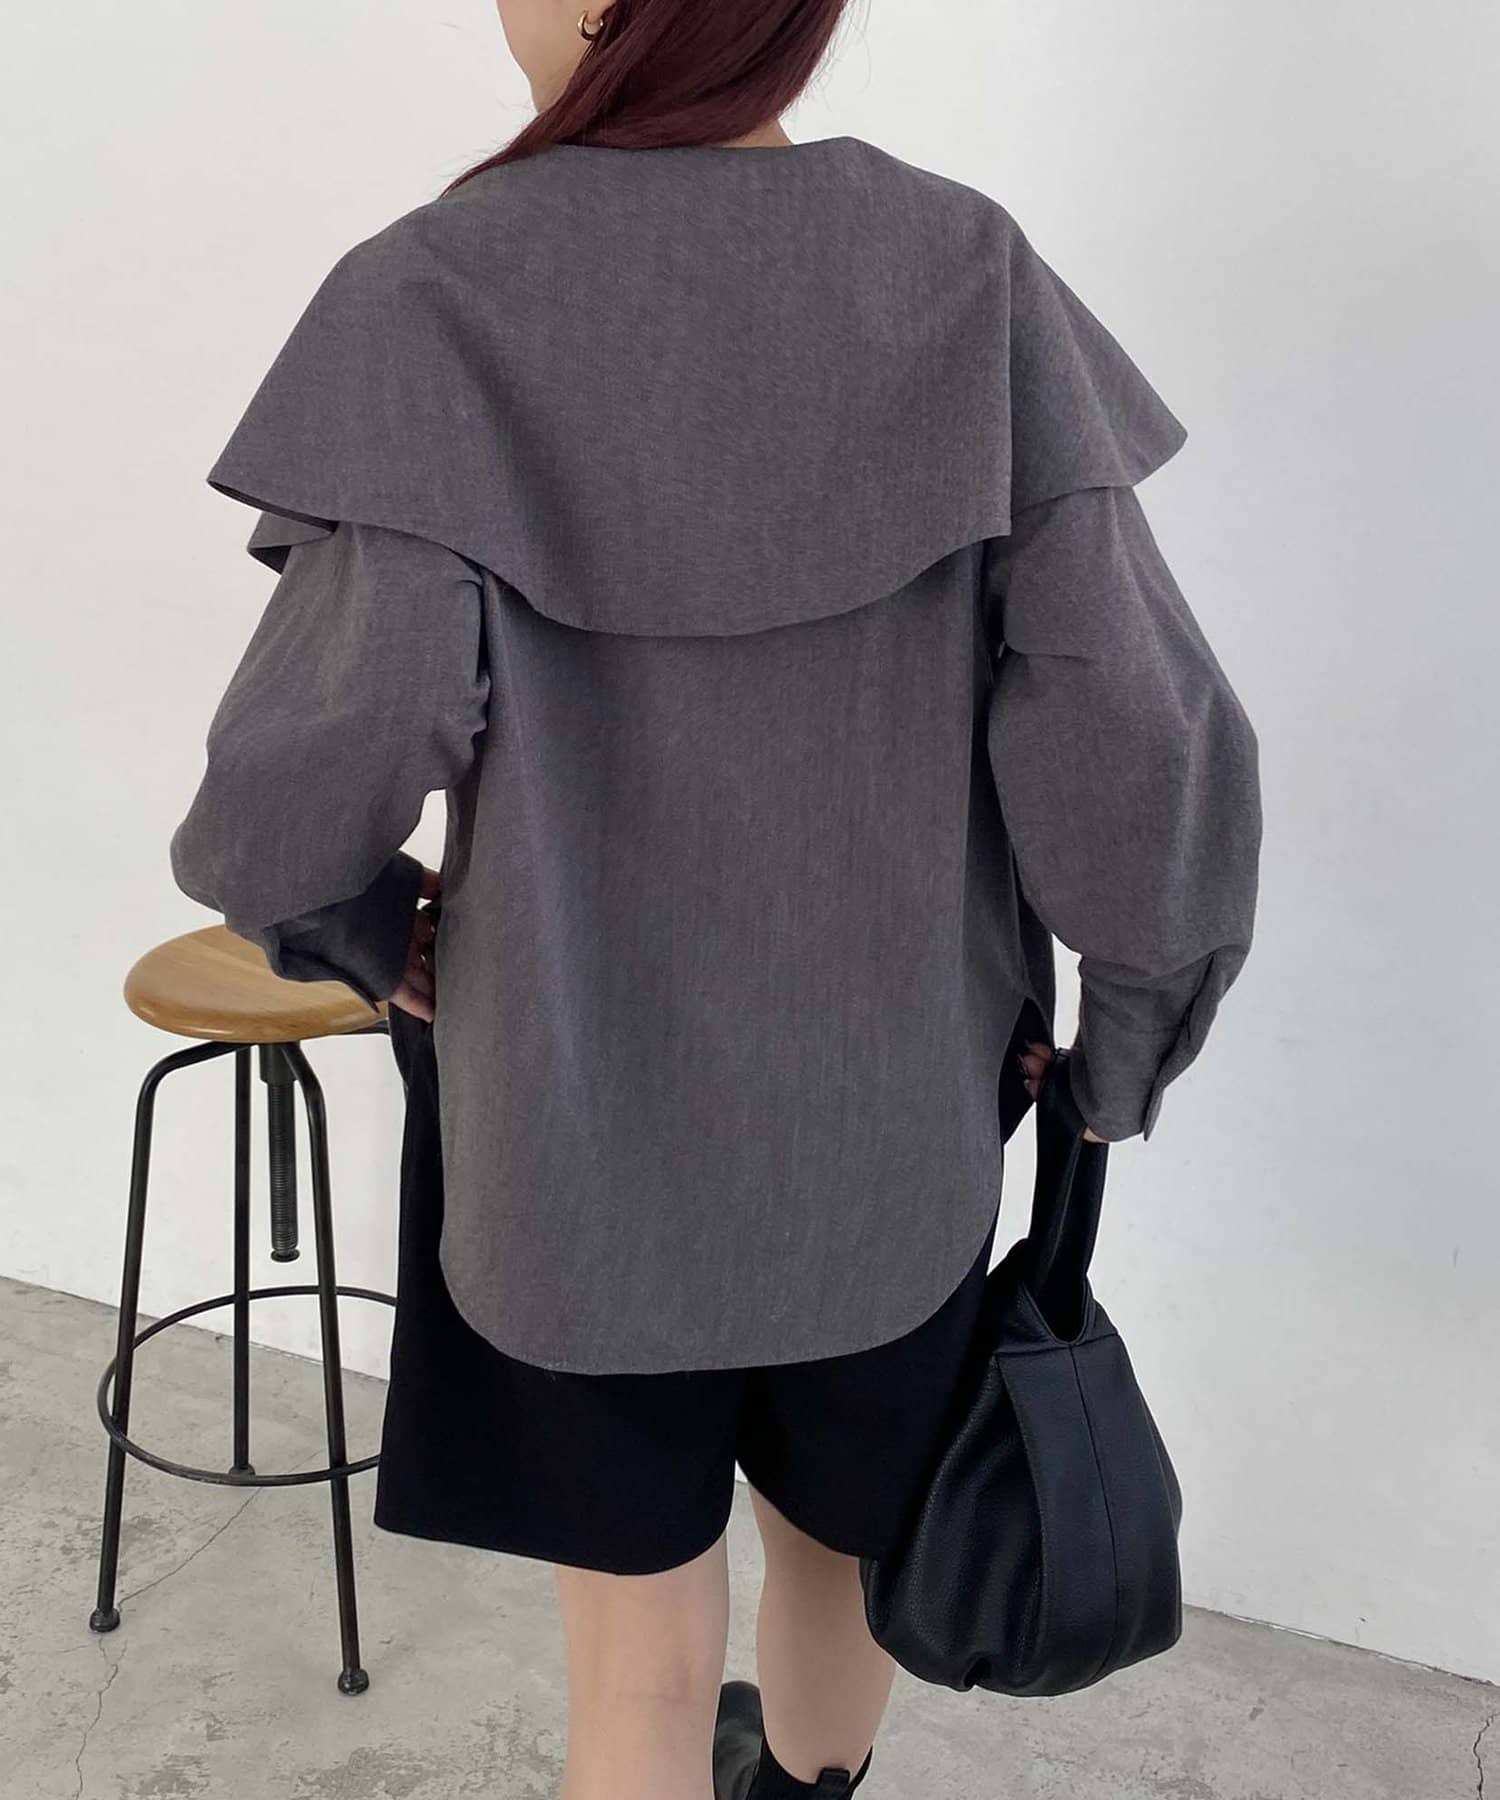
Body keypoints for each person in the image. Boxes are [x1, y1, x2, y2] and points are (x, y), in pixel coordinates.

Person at [168, 1, 1262, 1795]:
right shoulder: (962, 272)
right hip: (889, 1141)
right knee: (841, 1557)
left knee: (639, 1669)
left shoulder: (438, 293)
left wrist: (366, 930)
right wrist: (1124, 1046)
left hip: (571, 1157)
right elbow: (1138, 732)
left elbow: (303, 776)